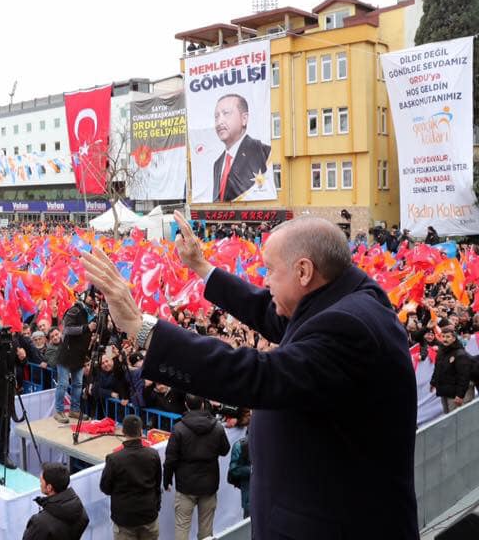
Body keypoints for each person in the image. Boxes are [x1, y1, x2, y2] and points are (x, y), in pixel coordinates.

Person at [81, 211, 418, 539]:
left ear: (303, 271)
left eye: (270, 270)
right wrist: (201, 267)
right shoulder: (340, 297)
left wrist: (142, 329)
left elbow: (258, 375)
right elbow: (271, 312)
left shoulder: (348, 327)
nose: (265, 281)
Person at [163, 395, 228, 540]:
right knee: (206, 529)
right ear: (203, 405)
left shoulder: (179, 428)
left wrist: (166, 480)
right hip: (209, 485)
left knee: (182, 526)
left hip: (186, 485)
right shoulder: (216, 427)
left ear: (186, 405)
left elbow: (170, 459)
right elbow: (225, 450)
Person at [99, 414, 163, 540]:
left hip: (125, 518)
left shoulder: (114, 459)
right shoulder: (153, 454)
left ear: (123, 432)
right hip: (148, 515)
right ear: (140, 431)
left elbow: (105, 487)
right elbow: (157, 483)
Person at [210, 93, 271, 202]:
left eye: (226, 113)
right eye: (216, 116)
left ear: (244, 118)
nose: (219, 122)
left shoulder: (262, 152)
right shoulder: (217, 164)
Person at [54, 292, 94, 424]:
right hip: (66, 353)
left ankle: (74, 410)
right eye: (90, 296)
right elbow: (67, 329)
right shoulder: (74, 310)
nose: (93, 299)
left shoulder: (93, 314)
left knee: (78, 384)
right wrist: (86, 328)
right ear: (84, 297)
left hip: (80, 355)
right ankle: (59, 411)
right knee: (63, 383)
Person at [22, 463, 89, 540]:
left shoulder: (40, 523)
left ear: (49, 488)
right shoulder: (81, 512)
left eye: (41, 482)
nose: (40, 484)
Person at [431, 323, 475, 413]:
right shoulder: (440, 352)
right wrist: (433, 382)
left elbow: (464, 376)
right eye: (443, 336)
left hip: (455, 394)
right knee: (447, 416)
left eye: (448, 337)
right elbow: (437, 368)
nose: (445, 339)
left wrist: (460, 395)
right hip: (444, 391)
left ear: (454, 338)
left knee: (458, 419)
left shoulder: (460, 354)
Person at [227, 409, 252, 520]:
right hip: (249, 499)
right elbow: (233, 471)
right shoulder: (241, 446)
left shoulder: (272, 443)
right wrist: (251, 470)